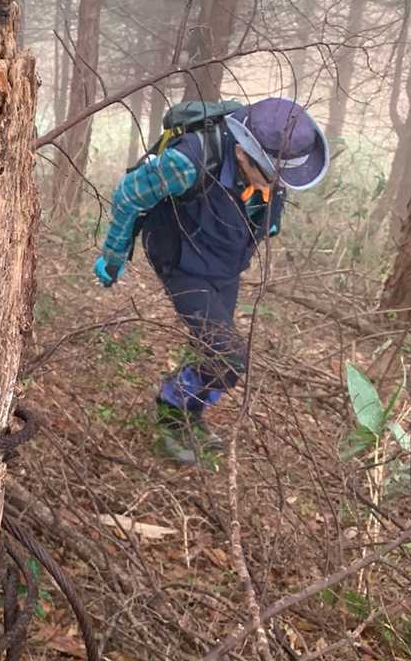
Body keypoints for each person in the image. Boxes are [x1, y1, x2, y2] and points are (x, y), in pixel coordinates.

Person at [94, 97, 330, 463]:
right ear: (241, 153)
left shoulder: (269, 169)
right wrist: (114, 254)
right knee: (229, 358)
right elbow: (129, 195)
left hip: (224, 263)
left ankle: (190, 413)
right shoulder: (188, 161)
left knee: (212, 351)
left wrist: (265, 220)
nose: (277, 186)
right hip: (182, 260)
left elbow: (262, 203)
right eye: (271, 176)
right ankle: (171, 411)